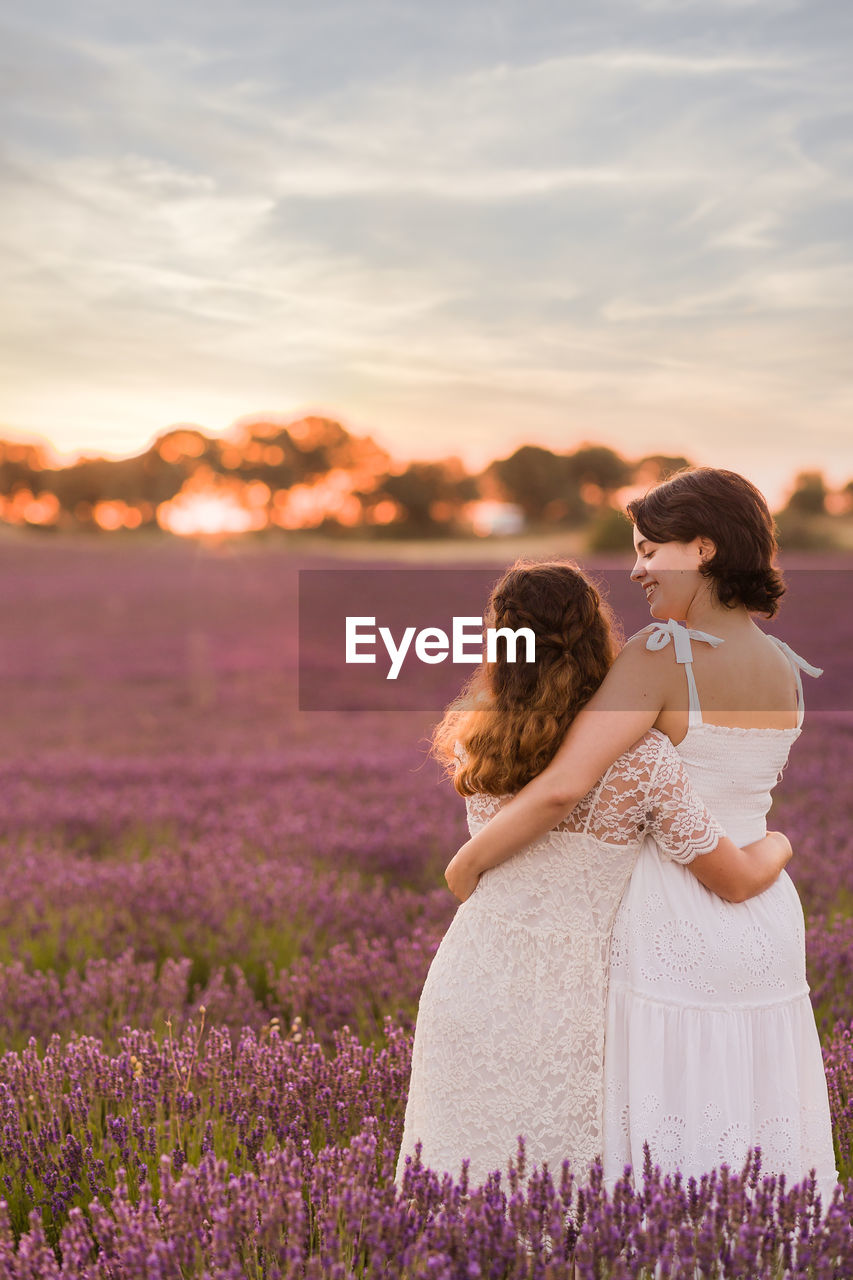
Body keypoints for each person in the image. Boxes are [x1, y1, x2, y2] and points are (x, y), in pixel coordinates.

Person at [444, 468, 838, 1198]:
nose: (636, 570)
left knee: (668, 1109)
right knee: (755, 1099)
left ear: (702, 548)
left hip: (671, 912)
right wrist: (782, 847)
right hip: (764, 915)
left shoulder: (664, 656)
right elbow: (747, 802)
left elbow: (563, 785)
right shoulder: (785, 669)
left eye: (650, 551)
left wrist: (466, 865)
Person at [395, 557, 792, 1190]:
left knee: (459, 1176)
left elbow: (539, 810)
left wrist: (465, 865)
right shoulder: (643, 759)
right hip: (579, 994)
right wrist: (778, 844)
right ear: (596, 635)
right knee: (562, 1191)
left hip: (473, 968)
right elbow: (736, 877)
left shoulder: (481, 737)